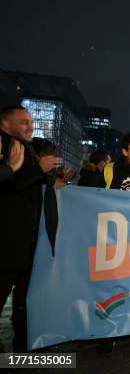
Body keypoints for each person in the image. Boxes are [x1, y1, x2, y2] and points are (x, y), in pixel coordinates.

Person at [0, 105, 62, 351]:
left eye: (31, 121)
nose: (30, 126)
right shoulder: (5, 147)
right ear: (6, 124)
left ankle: (23, 354)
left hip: (29, 245)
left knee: (25, 306)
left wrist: (48, 175)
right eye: (24, 122)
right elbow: (7, 190)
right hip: (6, 246)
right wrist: (38, 169)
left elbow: (30, 186)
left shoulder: (25, 148)